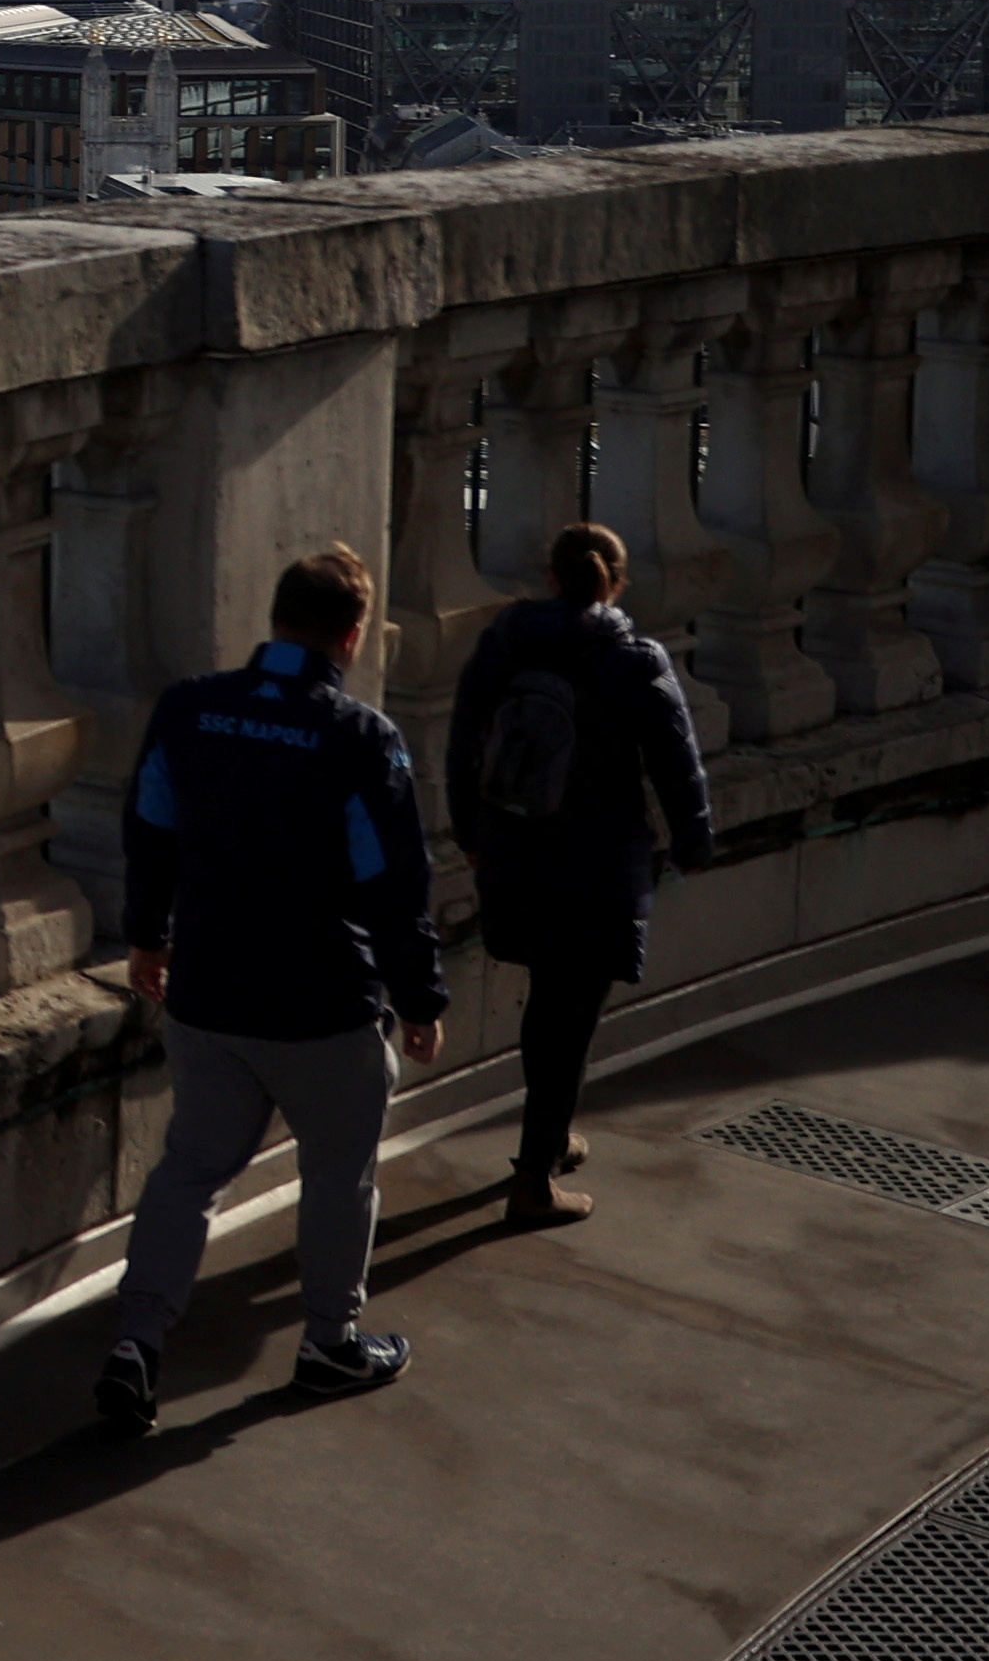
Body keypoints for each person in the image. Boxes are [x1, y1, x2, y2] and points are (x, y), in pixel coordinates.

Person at [93, 545, 445, 1435]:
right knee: (337, 1176)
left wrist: (145, 937)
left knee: (189, 1172)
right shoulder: (359, 738)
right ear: (352, 636)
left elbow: (147, 830)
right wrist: (419, 999)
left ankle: (136, 1344)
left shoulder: (189, 710)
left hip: (207, 992)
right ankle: (329, 1341)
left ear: (275, 618)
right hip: (322, 1006)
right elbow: (394, 885)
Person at [445, 521, 715, 1229]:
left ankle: (552, 1137)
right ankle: (533, 1182)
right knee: (571, 1015)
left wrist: (470, 831)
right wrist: (693, 841)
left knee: (547, 1002)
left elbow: (463, 739)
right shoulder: (633, 659)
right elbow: (675, 764)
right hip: (596, 863)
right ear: (615, 583)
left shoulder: (505, 644)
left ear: (551, 579)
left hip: (516, 850)